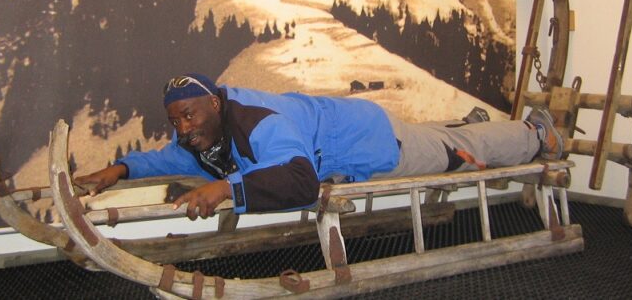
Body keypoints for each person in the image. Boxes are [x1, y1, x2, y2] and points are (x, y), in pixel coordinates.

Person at [76, 73, 563, 220]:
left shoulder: (259, 123)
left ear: (215, 105)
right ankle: (464, 123)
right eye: (175, 120)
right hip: (346, 132)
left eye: (188, 116)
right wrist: (116, 171)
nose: (182, 129)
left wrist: (225, 190)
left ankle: (537, 133)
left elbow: (300, 179)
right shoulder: (209, 131)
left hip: (370, 143)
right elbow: (167, 157)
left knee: (456, 152)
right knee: (446, 135)